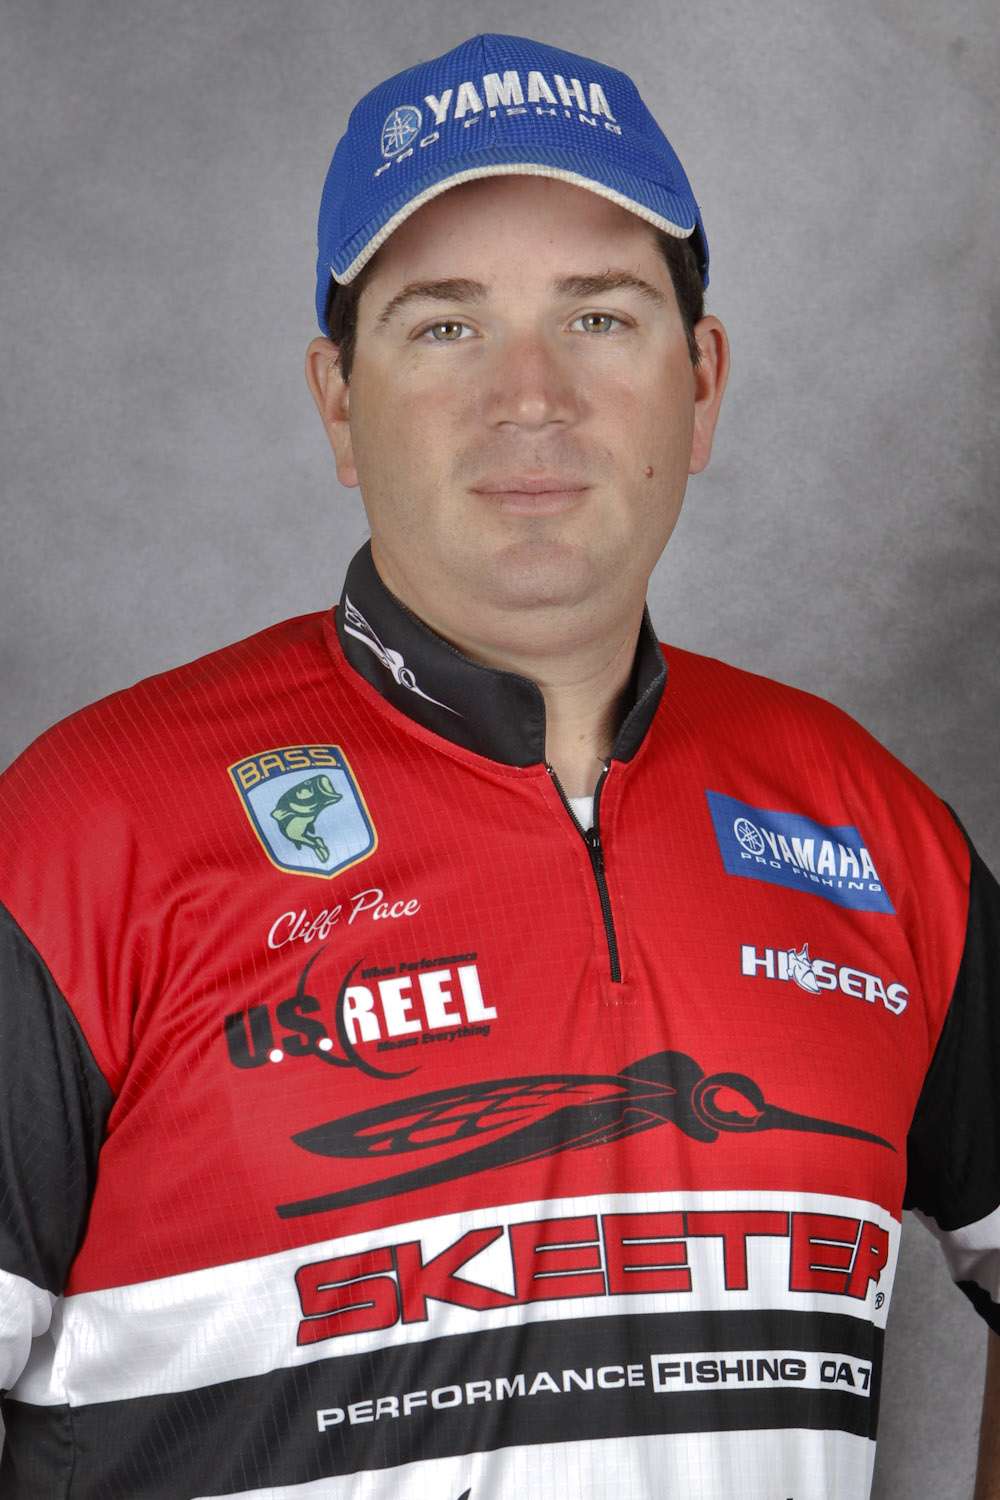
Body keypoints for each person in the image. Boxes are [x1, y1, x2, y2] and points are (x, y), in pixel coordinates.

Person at [0, 29, 997, 1500]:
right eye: (444, 327)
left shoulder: (877, 838)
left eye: (599, 316)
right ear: (339, 401)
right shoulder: (81, 838)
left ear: (702, 383)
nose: (531, 396)